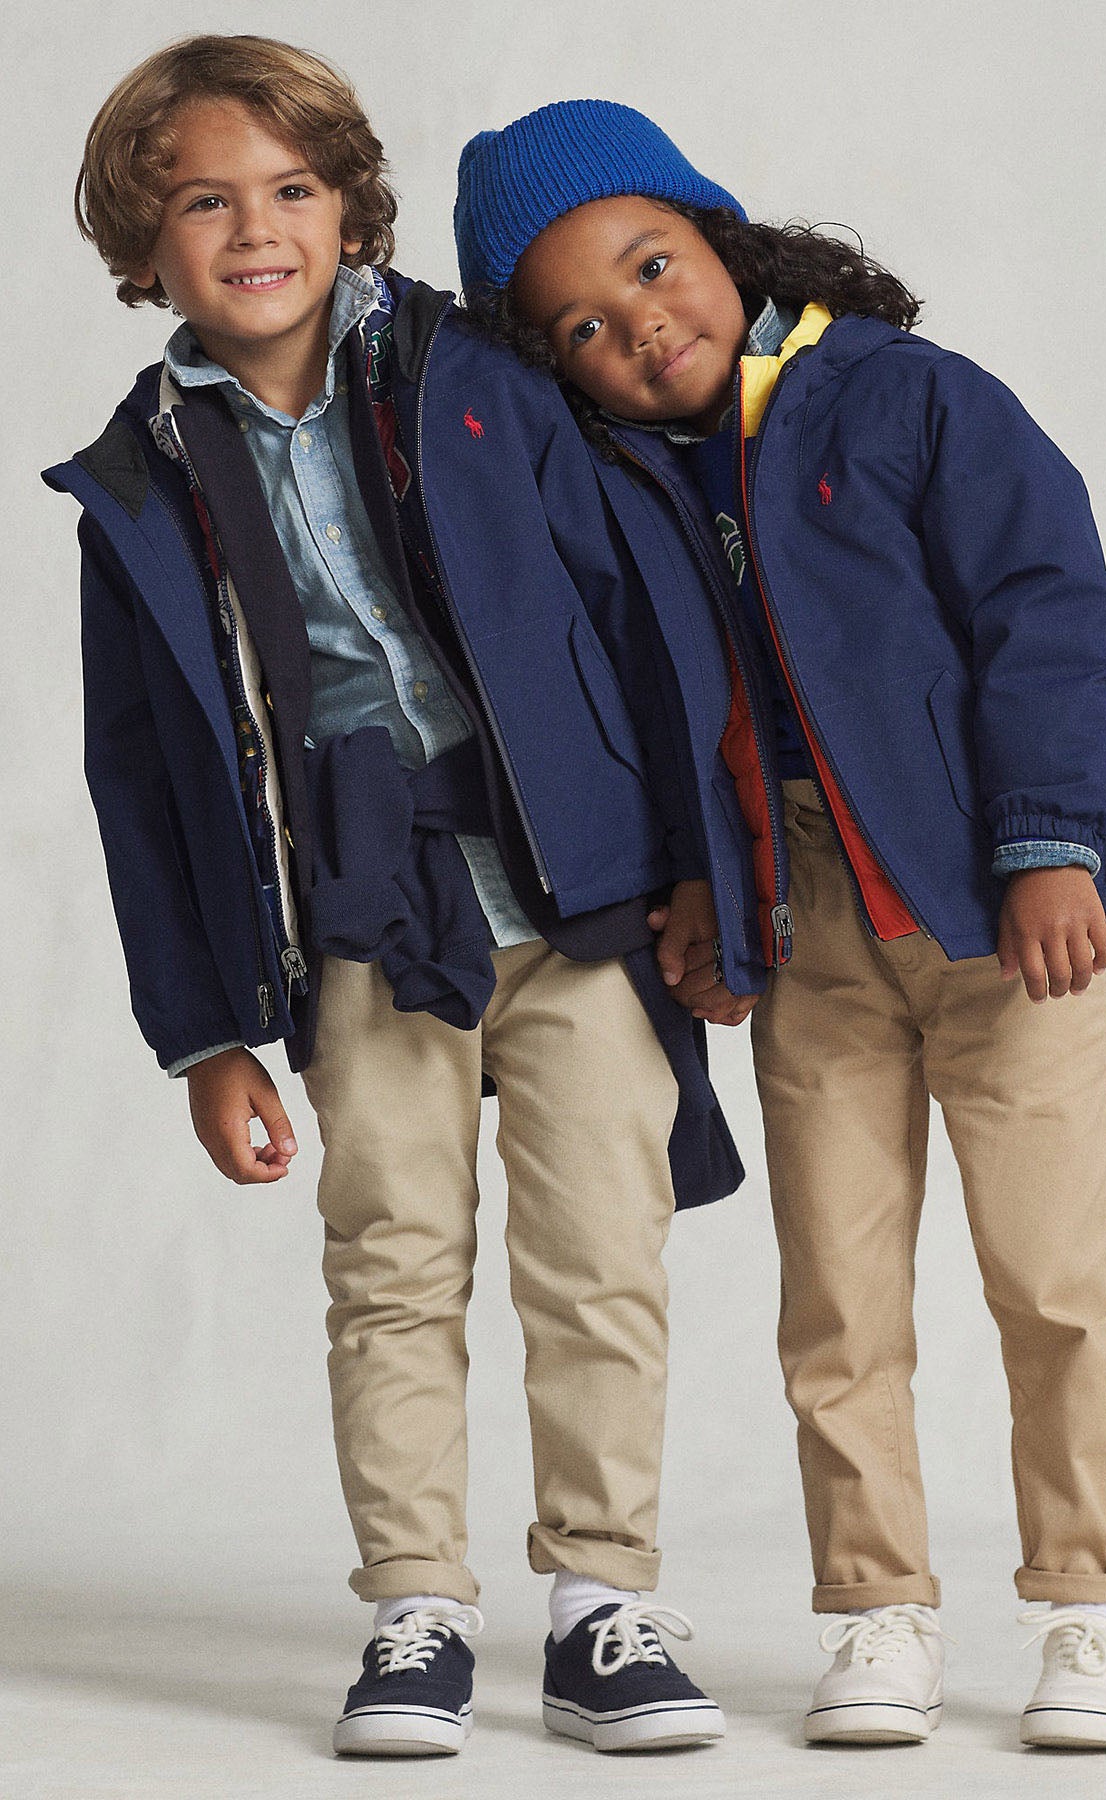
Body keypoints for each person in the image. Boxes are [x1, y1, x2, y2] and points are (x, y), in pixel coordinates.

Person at [48, 46, 748, 1759]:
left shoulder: (480, 372)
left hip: (576, 894)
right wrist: (205, 1034)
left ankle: (600, 1606)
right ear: (145, 247)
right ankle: (415, 1604)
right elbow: (140, 782)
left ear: (351, 209)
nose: (256, 230)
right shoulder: (136, 480)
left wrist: (701, 871)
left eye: (292, 190)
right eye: (204, 202)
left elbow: (643, 615)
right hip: (363, 913)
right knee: (391, 1260)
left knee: (601, 1252)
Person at [453, 98, 1106, 1750]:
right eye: (585, 327)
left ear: (720, 235)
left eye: (652, 265)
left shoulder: (908, 396)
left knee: (1056, 1279)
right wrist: (708, 885)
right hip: (809, 939)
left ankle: (1093, 1608)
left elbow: (1049, 609)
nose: (641, 327)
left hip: (996, 911)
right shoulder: (628, 482)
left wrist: (1050, 843)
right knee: (838, 1300)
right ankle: (875, 1610)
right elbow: (674, 710)